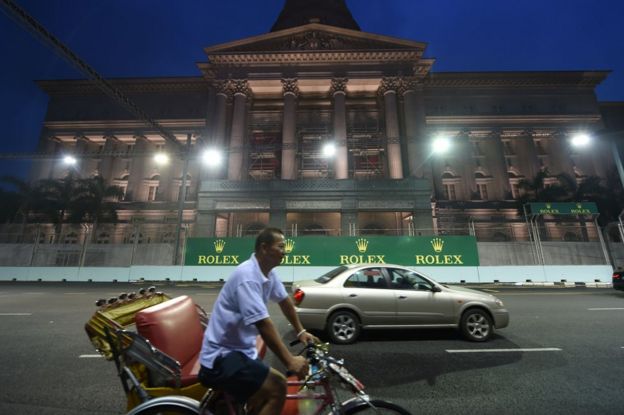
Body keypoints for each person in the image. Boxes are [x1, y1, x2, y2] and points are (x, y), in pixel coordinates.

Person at [198, 227, 319, 415]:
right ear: (264, 248)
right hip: (221, 357)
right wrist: (289, 361)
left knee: (260, 395)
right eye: (280, 247)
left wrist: (301, 331)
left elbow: (285, 301)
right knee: (278, 387)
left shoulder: (267, 273)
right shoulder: (247, 277)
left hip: (241, 350)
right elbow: (264, 324)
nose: (285, 252)